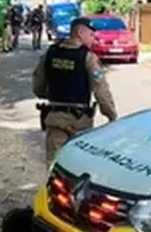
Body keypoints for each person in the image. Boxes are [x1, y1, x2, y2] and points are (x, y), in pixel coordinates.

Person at [32, 17, 117, 166]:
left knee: (54, 165)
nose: (93, 40)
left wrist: (53, 93)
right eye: (91, 35)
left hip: (56, 118)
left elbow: (38, 86)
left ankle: (54, 190)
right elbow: (101, 90)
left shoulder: (51, 53)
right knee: (79, 166)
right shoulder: (88, 58)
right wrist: (111, 115)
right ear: (79, 32)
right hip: (80, 123)